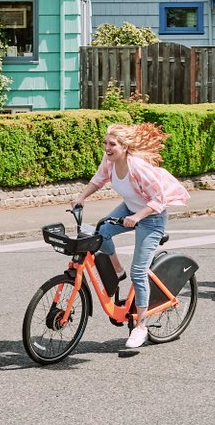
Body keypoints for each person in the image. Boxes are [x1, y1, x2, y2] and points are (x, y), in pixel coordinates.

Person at [73, 123, 189, 349]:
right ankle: (117, 270)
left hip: (151, 217)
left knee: (139, 272)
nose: (107, 148)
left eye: (112, 144)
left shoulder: (138, 168)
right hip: (130, 208)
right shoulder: (109, 162)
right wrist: (81, 197)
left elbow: (159, 199)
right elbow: (98, 180)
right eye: (105, 143)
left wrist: (138, 216)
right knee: (102, 232)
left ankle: (141, 327)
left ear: (124, 147)